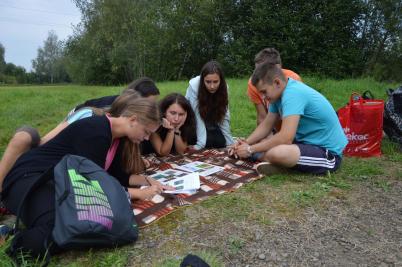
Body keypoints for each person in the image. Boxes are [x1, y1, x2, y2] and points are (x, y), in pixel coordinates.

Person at [1, 94, 172, 257]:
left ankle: (18, 231)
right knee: (61, 228)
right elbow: (95, 187)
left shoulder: (118, 139)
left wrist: (147, 180)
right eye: (147, 132)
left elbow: (117, 177)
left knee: (77, 227)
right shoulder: (96, 130)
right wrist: (141, 193)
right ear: (133, 120)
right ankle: (11, 237)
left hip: (52, 182)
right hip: (27, 179)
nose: (147, 138)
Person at [0, 77, 159, 192]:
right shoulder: (92, 121)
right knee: (24, 138)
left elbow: (113, 173)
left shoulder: (119, 135)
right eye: (148, 105)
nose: (150, 108)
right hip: (43, 160)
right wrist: (135, 193)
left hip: (62, 168)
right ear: (133, 114)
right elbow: (50, 141)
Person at [233, 59, 348, 175]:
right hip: (305, 143)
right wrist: (246, 142)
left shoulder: (293, 94)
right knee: (265, 141)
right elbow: (266, 125)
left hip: (327, 152)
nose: (262, 97)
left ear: (277, 83)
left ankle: (271, 160)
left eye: (264, 92)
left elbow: (286, 137)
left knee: (277, 153)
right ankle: (277, 163)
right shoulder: (278, 95)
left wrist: (250, 149)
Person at [185, 61, 234, 150]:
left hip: (210, 120)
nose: (212, 86)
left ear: (221, 80)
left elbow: (224, 114)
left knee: (220, 142)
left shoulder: (224, 88)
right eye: (208, 82)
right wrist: (200, 144)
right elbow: (196, 115)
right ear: (202, 80)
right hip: (192, 121)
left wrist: (229, 142)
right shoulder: (194, 86)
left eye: (215, 82)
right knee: (205, 141)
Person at [247, 48, 302, 125]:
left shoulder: (293, 80)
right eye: (256, 71)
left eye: (262, 71)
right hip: (274, 129)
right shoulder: (254, 83)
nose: (257, 75)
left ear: (277, 67)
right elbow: (262, 117)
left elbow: (295, 122)